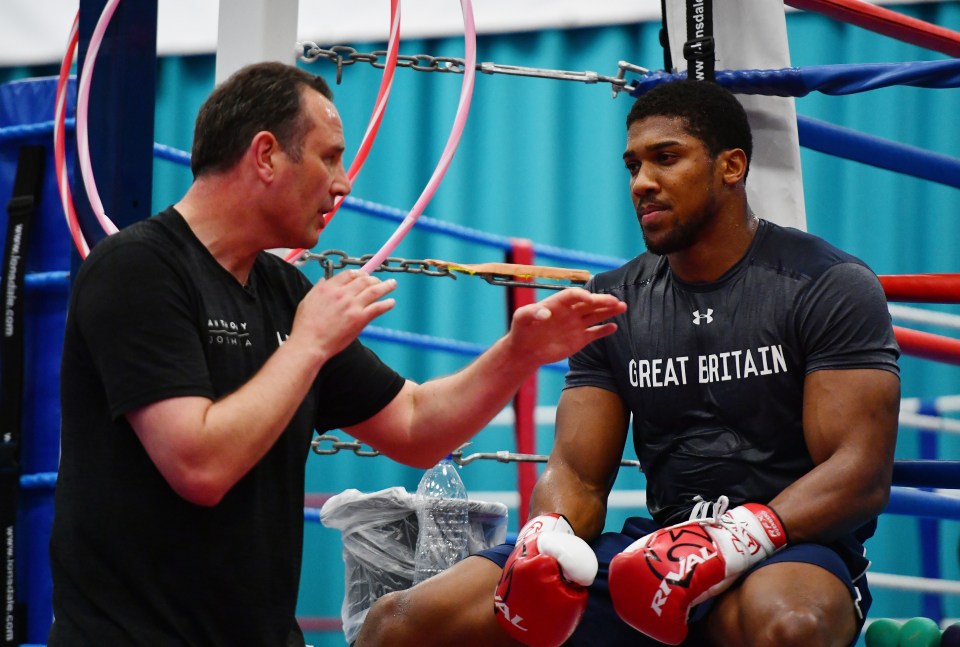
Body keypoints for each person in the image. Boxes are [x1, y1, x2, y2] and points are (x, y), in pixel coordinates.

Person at [47, 61, 627, 647]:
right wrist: (308, 344)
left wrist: (519, 352)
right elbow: (199, 466)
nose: (344, 182)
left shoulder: (281, 290)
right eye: (328, 157)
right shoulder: (137, 269)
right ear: (267, 155)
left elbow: (416, 426)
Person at [355, 79, 901, 647]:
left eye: (666, 159)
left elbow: (858, 472)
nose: (643, 183)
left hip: (791, 550)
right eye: (633, 165)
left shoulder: (826, 285)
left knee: (790, 627)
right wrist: (547, 539)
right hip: (654, 555)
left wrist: (732, 539)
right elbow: (577, 474)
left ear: (731, 166)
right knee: (399, 624)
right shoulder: (617, 301)